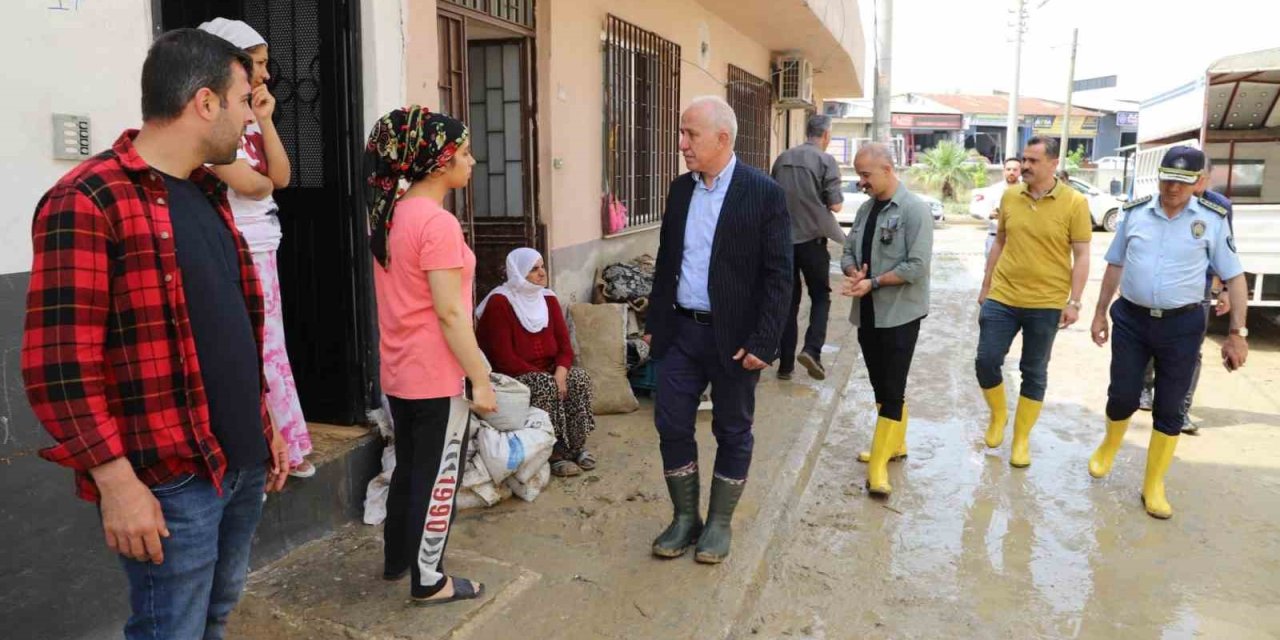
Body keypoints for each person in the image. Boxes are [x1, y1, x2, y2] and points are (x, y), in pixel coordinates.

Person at [21, 29, 289, 639]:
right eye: (245, 98)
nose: (252, 113)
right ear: (205, 103)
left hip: (237, 462)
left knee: (214, 619)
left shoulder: (204, 192)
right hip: (171, 480)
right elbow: (59, 366)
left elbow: (230, 328)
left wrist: (263, 422)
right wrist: (115, 482)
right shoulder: (87, 200)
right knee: (170, 630)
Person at [644, 95, 792, 564]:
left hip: (735, 340)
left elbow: (779, 276)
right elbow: (668, 260)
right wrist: (655, 323)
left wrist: (764, 342)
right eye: (682, 133)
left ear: (723, 138)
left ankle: (719, 523)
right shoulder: (681, 190)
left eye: (691, 134)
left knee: (732, 430)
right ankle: (685, 517)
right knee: (671, 424)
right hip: (681, 334)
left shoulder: (762, 192)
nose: (682, 143)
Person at [365, 106, 495, 603]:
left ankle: (397, 559)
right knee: (439, 476)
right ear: (439, 162)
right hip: (437, 373)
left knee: (411, 467)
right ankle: (429, 578)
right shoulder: (437, 224)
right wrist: (479, 377)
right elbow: (450, 314)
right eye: (463, 152)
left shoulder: (391, 215)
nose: (472, 161)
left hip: (400, 370)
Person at [1087, 146, 1248, 520]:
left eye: (1182, 181)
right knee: (1123, 395)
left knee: (1170, 405)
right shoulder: (1135, 213)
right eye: (1167, 178)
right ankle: (1109, 446)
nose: (1172, 187)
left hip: (1182, 324)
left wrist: (1238, 331)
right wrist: (1099, 314)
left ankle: (1153, 484)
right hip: (1131, 319)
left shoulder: (1212, 219)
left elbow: (1235, 275)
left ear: (1199, 183)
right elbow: (1114, 264)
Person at [198, 18, 314, 478]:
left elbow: (280, 178)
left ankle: (285, 443)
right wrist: (263, 185)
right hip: (236, 246)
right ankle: (265, 448)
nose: (266, 75)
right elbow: (250, 186)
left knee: (271, 347)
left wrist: (265, 119)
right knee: (253, 348)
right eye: (259, 65)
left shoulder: (247, 122)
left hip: (263, 243)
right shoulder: (211, 127)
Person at [976, 136, 1092, 468]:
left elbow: (1082, 255)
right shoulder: (1011, 196)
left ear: (1054, 164)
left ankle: (1022, 438)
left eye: (1033, 161)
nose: (1024, 166)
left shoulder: (1074, 202)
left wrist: (1076, 302)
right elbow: (1000, 242)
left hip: (1046, 302)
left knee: (1034, 371)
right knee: (986, 360)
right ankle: (998, 416)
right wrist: (986, 285)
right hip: (1003, 296)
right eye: (1023, 160)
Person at [840, 143, 934, 496]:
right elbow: (848, 251)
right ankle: (896, 443)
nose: (861, 181)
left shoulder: (914, 210)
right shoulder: (866, 210)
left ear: (888, 169)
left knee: (893, 387)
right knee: (880, 384)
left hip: (900, 313)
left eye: (866, 174)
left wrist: (874, 282)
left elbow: (917, 265)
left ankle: (879, 467)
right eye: (859, 174)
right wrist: (853, 271)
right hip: (868, 312)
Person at [476, 248, 597, 477]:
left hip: (550, 370)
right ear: (518, 273)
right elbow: (504, 358)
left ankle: (576, 446)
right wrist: (550, 379)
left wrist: (560, 373)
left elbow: (564, 347)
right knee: (544, 385)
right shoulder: (500, 302)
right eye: (533, 269)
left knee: (579, 378)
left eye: (542, 267)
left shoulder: (547, 298)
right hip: (514, 374)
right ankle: (554, 454)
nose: (542, 273)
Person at [1137, 160, 1235, 435]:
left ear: (1203, 179)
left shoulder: (1219, 208)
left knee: (1192, 350)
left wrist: (1224, 287)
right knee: (1149, 340)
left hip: (1198, 290)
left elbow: (1228, 251)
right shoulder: (1160, 202)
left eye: (1195, 178)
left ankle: (1182, 409)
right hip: (1159, 286)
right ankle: (1145, 389)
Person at [771, 114, 846, 381]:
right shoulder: (826, 160)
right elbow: (836, 205)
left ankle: (785, 366)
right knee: (821, 297)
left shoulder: (782, 158)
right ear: (826, 135)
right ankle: (812, 350)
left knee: (789, 302)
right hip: (812, 242)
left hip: (782, 244)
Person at [978, 158, 1022, 256]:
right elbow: (981, 209)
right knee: (992, 270)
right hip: (995, 237)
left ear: (1020, 171)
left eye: (1015, 170)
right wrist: (990, 214)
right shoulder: (994, 190)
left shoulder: (1028, 191)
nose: (1011, 172)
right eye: (1008, 169)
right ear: (1004, 171)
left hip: (1019, 240)